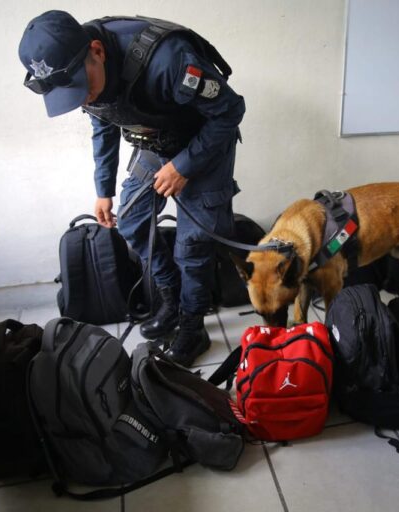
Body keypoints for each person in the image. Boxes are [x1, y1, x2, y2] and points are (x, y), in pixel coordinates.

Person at [18, 10, 245, 367]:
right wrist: (103, 189)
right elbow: (104, 123)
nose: (82, 100)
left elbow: (230, 111)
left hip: (205, 144)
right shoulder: (86, 72)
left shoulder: (169, 61)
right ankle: (171, 298)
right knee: (132, 222)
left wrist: (183, 167)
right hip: (157, 143)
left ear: (98, 51)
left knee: (192, 245)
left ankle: (193, 325)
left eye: (82, 88)